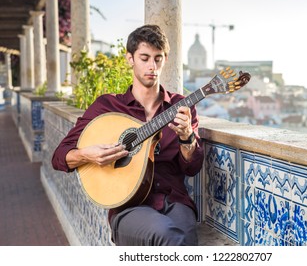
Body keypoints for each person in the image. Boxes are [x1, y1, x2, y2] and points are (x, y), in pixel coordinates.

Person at [51, 24, 204, 246]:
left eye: (158, 59)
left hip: (175, 201)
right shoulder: (107, 107)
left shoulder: (180, 107)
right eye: (144, 58)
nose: (152, 66)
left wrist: (187, 137)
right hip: (128, 207)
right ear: (130, 59)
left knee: (185, 241)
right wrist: (86, 155)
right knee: (169, 237)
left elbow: (192, 168)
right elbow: (59, 156)